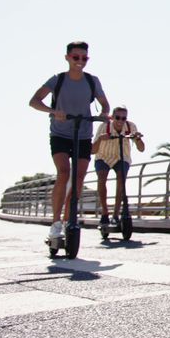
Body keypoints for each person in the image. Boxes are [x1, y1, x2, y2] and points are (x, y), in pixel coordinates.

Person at [28, 41, 109, 241]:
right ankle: (55, 223)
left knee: (79, 177)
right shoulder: (58, 80)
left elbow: (105, 105)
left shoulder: (92, 81)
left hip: (83, 134)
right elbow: (34, 101)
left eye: (84, 58)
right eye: (76, 57)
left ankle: (67, 219)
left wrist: (104, 114)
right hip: (60, 133)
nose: (80, 61)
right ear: (67, 58)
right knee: (64, 172)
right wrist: (54, 112)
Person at [92, 106, 144, 229]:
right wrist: (100, 139)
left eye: (124, 118)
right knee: (102, 177)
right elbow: (93, 150)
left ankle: (116, 214)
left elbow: (141, 149)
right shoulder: (104, 127)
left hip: (122, 156)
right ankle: (105, 212)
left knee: (121, 181)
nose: (121, 121)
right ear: (113, 117)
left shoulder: (131, 127)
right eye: (118, 117)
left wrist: (137, 139)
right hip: (103, 156)